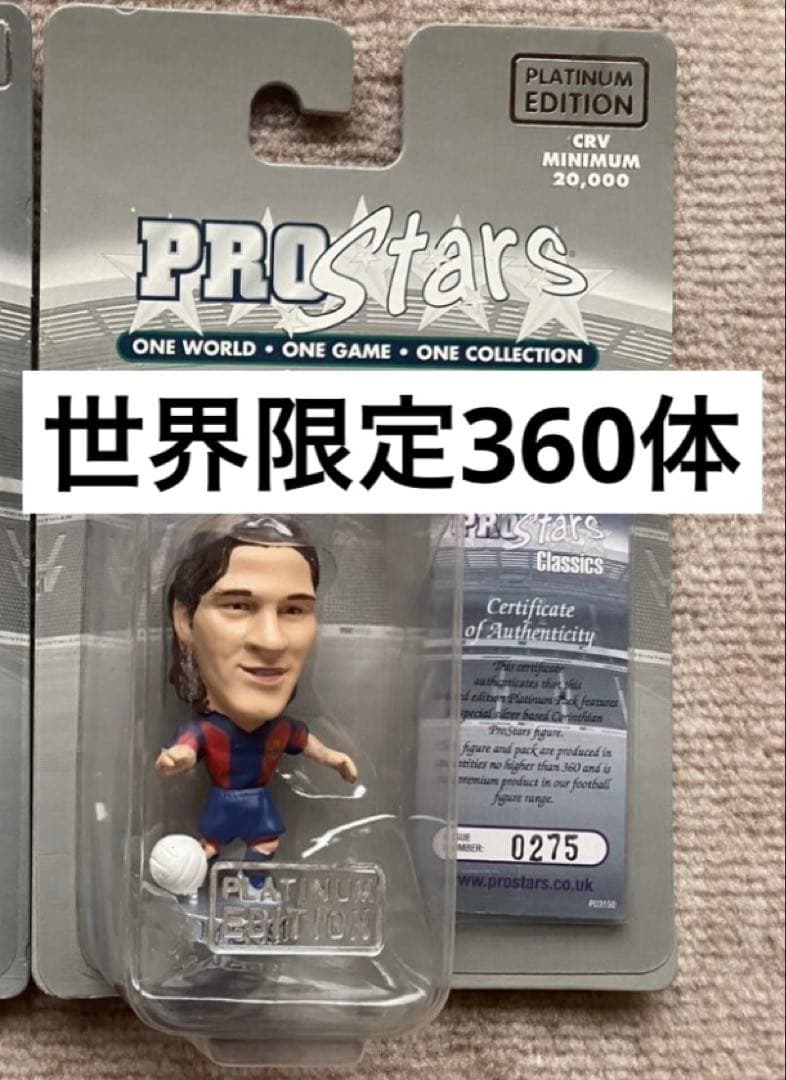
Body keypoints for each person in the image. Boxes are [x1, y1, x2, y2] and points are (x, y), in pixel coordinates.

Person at [155, 516, 358, 880]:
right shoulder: (209, 731)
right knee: (209, 848)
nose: (272, 641)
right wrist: (178, 757)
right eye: (238, 605)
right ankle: (195, 883)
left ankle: (253, 887)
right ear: (185, 620)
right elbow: (187, 747)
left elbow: (310, 745)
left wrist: (335, 759)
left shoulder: (281, 731)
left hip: (256, 805)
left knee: (262, 844)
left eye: (293, 610)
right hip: (223, 805)